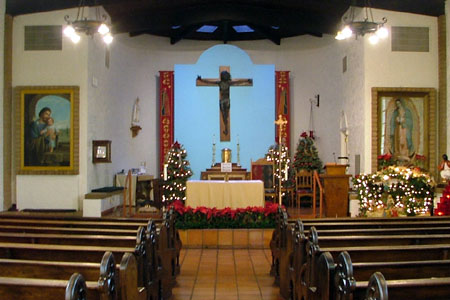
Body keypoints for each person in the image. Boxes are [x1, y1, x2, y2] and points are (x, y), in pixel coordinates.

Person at [197, 71, 252, 136]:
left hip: (224, 101)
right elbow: (209, 82)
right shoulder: (223, 83)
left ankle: (226, 129)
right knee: (224, 116)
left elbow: (238, 82)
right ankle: (226, 129)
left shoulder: (225, 83)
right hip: (224, 101)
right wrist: (201, 80)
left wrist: (247, 81)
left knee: (225, 116)